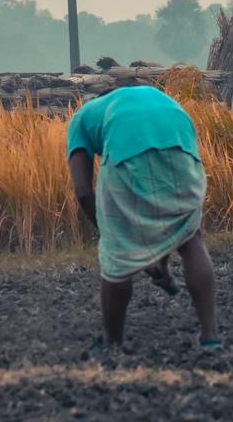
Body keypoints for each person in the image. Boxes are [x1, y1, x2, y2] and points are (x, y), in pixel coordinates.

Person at [65, 85, 220, 353]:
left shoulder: (82, 117)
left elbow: (82, 192)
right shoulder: (149, 96)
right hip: (182, 146)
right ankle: (211, 337)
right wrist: (160, 263)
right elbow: (163, 216)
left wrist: (111, 234)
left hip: (129, 150)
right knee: (190, 238)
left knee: (117, 255)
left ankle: (112, 343)